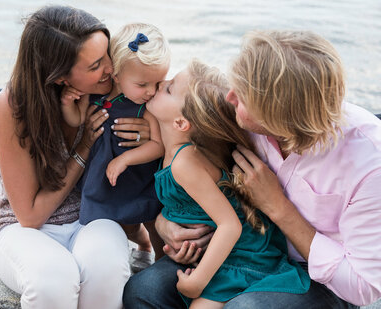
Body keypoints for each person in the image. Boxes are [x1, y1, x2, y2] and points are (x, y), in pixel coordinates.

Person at [124, 31, 381, 308]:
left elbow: (362, 288)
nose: (231, 97)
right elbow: (196, 175)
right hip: (241, 252)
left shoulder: (369, 164)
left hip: (319, 277)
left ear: (279, 114)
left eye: (243, 96)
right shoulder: (244, 122)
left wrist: (279, 208)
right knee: (143, 290)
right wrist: (167, 224)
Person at [0, 6, 152, 309]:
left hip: (91, 216)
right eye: (95, 66)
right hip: (24, 229)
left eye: (107, 55)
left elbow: (176, 104)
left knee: (106, 271)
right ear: (61, 77)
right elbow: (30, 215)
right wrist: (84, 146)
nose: (110, 69)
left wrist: (151, 132)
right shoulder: (13, 105)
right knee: (54, 280)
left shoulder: (120, 84)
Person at [131, 58, 310, 308]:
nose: (161, 83)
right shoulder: (168, 146)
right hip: (217, 254)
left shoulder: (185, 162)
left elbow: (230, 226)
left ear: (181, 123)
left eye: (169, 88)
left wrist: (198, 282)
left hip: (243, 258)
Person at [61, 23, 170, 263]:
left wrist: (125, 159)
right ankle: (140, 244)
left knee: (152, 219)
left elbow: (158, 145)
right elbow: (77, 119)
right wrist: (67, 104)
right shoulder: (95, 95)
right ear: (116, 74)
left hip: (139, 175)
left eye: (158, 83)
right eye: (143, 85)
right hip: (104, 175)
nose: (151, 91)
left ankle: (161, 262)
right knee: (122, 223)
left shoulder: (147, 106)